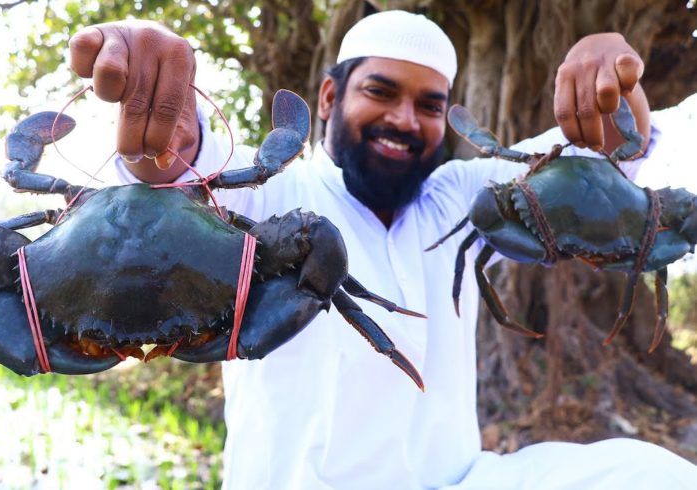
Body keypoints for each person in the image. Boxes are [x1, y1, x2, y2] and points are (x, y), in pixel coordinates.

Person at [69, 10, 696, 489]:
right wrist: (168, 130)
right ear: (328, 98)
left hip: (454, 479)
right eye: (381, 91)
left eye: (430, 106)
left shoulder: (461, 198)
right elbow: (185, 171)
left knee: (654, 474)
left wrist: (607, 71)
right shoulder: (273, 193)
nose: (405, 119)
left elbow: (597, 156)